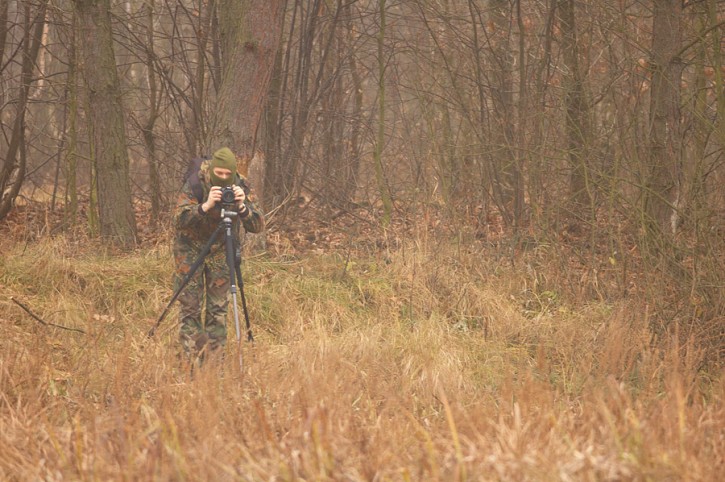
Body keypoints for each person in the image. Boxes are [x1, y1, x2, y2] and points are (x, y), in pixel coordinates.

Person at [172, 147, 264, 363]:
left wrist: (243, 208)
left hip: (222, 248)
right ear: (212, 170)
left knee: (218, 310)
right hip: (189, 248)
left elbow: (258, 225)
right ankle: (190, 364)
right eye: (219, 174)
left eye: (227, 175)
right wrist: (204, 207)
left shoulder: (241, 185)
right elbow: (177, 220)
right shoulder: (196, 182)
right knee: (190, 307)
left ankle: (214, 365)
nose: (223, 179)